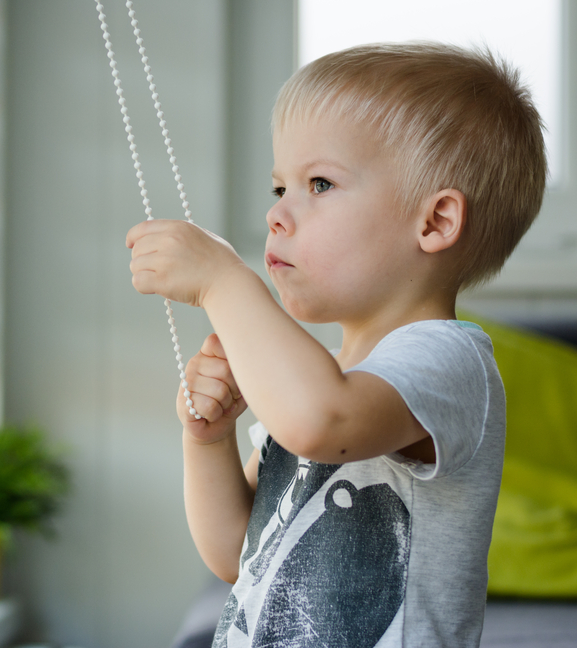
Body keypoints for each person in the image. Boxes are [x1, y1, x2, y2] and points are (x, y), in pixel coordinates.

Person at [125, 43, 546, 647]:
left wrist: (225, 280)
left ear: (435, 223)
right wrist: (208, 440)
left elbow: (321, 419)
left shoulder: (449, 360)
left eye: (319, 184)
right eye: (279, 189)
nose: (278, 215)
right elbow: (239, 554)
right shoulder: (319, 381)